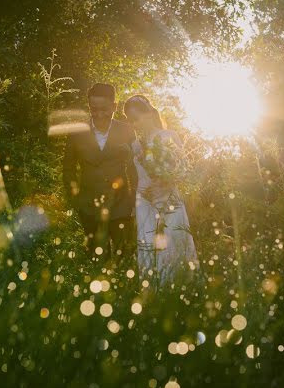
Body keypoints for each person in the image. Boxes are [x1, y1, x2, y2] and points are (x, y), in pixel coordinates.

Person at [123, 95, 198, 287]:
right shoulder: (135, 145)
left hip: (169, 199)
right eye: (130, 121)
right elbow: (136, 176)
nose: (134, 124)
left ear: (148, 114)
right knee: (148, 245)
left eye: (136, 118)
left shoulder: (168, 136)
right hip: (144, 202)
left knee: (173, 242)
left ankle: (179, 288)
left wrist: (164, 185)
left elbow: (182, 169)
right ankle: (153, 291)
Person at [63, 83, 137, 265]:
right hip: (88, 205)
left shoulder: (126, 130)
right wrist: (75, 199)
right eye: (93, 109)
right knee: (95, 260)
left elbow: (135, 166)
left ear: (114, 106)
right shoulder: (76, 132)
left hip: (121, 204)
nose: (99, 114)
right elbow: (68, 168)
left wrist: (135, 199)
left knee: (122, 260)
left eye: (104, 109)